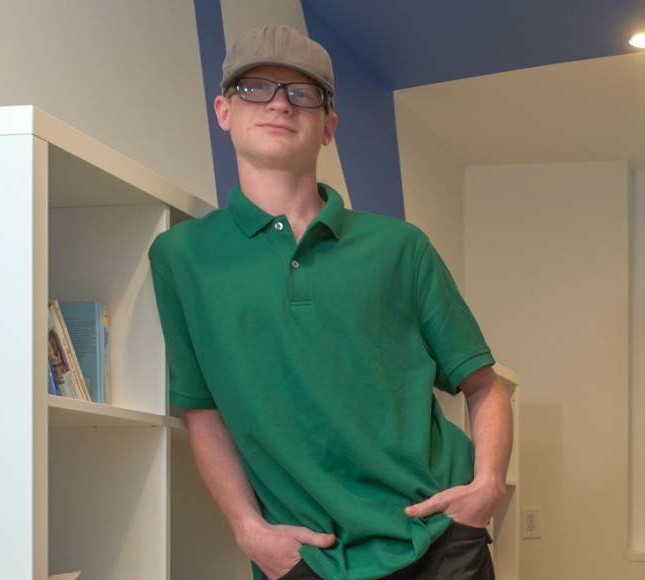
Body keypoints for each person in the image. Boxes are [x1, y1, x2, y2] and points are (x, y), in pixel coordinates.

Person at [148, 24, 512, 580]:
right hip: (303, 557)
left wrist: (483, 489)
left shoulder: (399, 247)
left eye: (302, 92)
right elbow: (203, 411)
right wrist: (248, 530)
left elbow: (483, 385)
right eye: (255, 88)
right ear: (223, 110)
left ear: (328, 127)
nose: (279, 103)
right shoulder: (180, 257)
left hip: (438, 541)